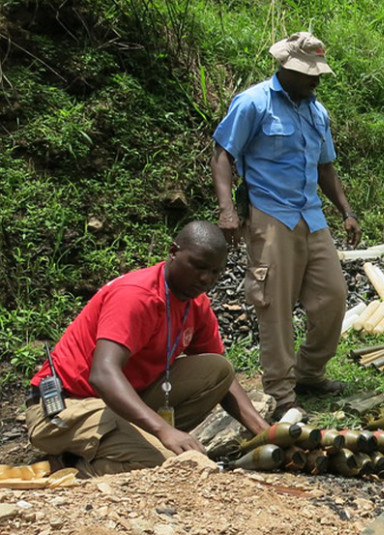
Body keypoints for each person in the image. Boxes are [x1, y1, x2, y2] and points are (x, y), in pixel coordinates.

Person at [25, 221, 270, 477]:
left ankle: (117, 445)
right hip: (65, 407)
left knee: (218, 369)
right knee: (170, 462)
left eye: (215, 272)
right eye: (198, 266)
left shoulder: (195, 303)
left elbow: (224, 380)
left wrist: (266, 433)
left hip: (116, 404)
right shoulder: (136, 295)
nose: (206, 279)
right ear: (173, 252)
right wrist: (163, 431)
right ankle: (68, 466)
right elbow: (102, 374)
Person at [211, 31, 360, 420]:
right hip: (270, 216)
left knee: (333, 297)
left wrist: (346, 210)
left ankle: (310, 373)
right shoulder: (253, 102)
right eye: (307, 72)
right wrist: (227, 210)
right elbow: (223, 155)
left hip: (311, 215)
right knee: (274, 307)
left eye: (318, 73)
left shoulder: (317, 111)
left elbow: (325, 167)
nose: (315, 79)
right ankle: (280, 392)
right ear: (285, 68)